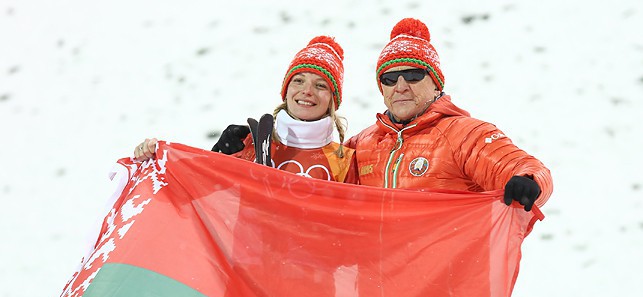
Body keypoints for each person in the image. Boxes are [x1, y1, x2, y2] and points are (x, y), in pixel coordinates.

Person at [341, 17, 553, 211]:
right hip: (383, 254)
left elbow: (525, 166)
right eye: (389, 79)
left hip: (448, 253)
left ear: (435, 84)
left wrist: (529, 181)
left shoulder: (465, 135)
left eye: (413, 75)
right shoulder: (362, 143)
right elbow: (321, 182)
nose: (401, 86)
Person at [134, 36, 355, 183]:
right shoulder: (248, 144)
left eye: (321, 85)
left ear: (333, 100)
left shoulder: (346, 161)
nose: (307, 91)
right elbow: (193, 189)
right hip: (247, 253)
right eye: (298, 81)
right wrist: (156, 157)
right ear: (286, 91)